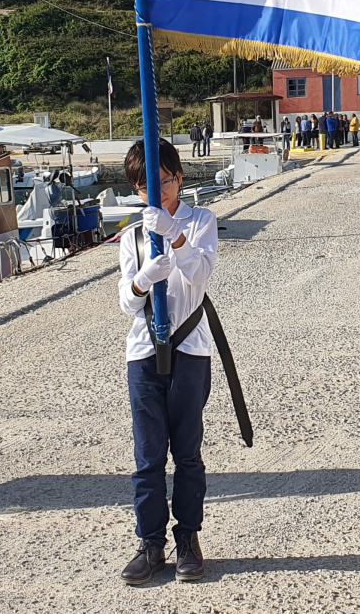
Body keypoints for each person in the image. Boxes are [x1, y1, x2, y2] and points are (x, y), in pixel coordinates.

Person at [117, 139, 218, 585]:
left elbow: (198, 277)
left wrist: (174, 237)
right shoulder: (133, 235)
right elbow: (125, 301)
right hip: (143, 353)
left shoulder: (202, 221)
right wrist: (143, 279)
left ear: (178, 176)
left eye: (163, 180)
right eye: (145, 186)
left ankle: (189, 539)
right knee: (148, 456)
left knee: (188, 454)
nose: (155, 192)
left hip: (189, 349)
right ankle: (151, 542)